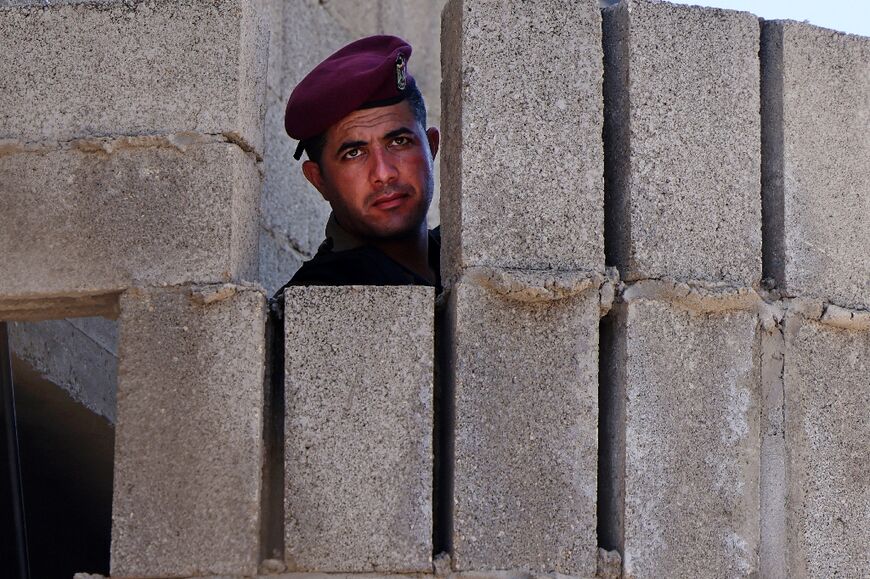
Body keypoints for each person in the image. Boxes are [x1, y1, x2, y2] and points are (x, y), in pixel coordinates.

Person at [276, 35, 441, 292]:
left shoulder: (470, 258)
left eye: (398, 141)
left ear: (431, 146)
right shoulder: (317, 299)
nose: (383, 173)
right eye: (354, 153)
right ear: (319, 180)